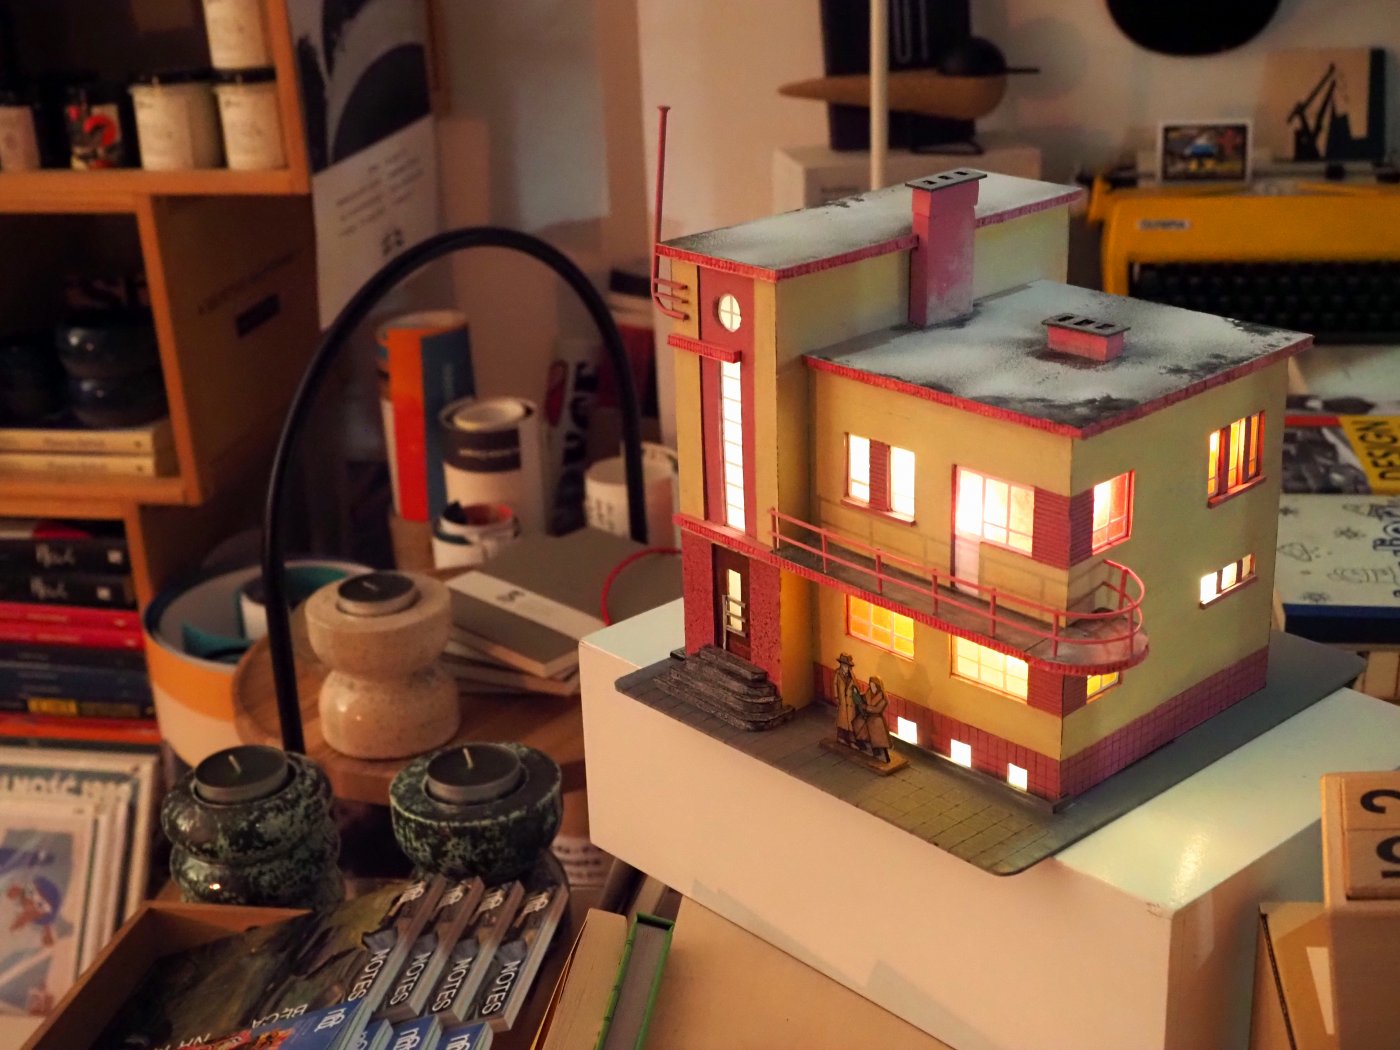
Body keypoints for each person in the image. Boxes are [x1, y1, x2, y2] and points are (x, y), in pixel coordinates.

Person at [853, 675, 893, 764]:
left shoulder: (883, 697)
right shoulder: (869, 692)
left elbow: (878, 709)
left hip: (876, 718)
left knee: (876, 734)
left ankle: (879, 751)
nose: (872, 687)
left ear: (878, 686)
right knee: (858, 724)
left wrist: (866, 707)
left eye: (874, 685)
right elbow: (864, 698)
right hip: (867, 716)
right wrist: (858, 696)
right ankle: (861, 743)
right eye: (871, 685)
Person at [833, 653, 858, 746]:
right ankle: (841, 737)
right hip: (842, 702)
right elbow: (835, 685)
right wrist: (836, 697)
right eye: (843, 664)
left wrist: (856, 693)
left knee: (851, 722)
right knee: (842, 720)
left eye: (846, 665)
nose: (845, 667)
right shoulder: (837, 673)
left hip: (850, 702)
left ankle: (851, 740)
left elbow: (855, 685)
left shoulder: (851, 675)